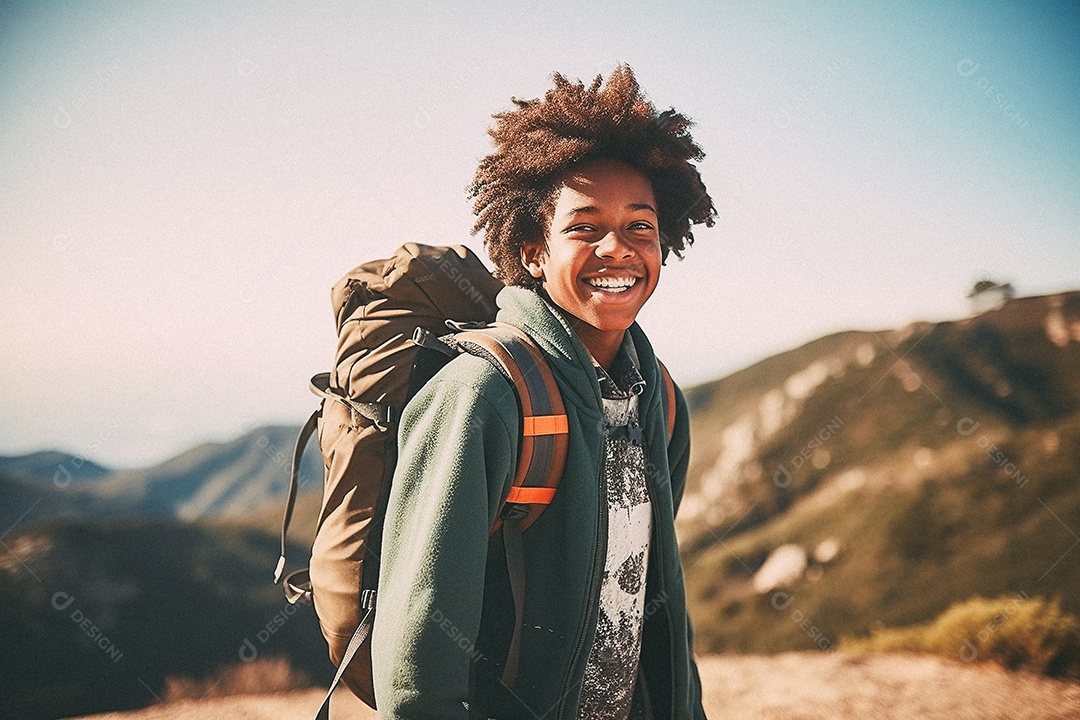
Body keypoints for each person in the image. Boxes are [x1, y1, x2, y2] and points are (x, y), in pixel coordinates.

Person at [371, 64, 716, 720]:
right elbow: (418, 661)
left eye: (639, 227)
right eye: (585, 227)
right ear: (533, 251)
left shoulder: (660, 402)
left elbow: (652, 607)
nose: (617, 249)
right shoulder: (483, 395)